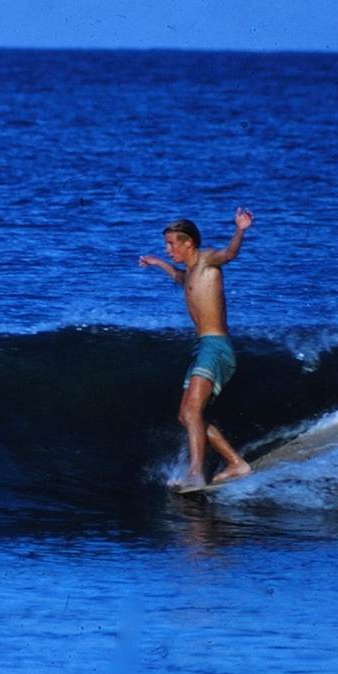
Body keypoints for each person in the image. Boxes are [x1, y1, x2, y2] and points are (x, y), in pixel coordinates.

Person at [139, 207, 255, 490]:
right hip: (203, 347)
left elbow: (229, 254)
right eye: (166, 244)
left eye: (171, 244)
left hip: (215, 347)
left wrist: (240, 230)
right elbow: (179, 278)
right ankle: (236, 463)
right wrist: (158, 263)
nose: (168, 249)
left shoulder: (206, 261)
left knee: (192, 411)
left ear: (189, 242)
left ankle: (195, 473)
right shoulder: (190, 272)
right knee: (186, 415)